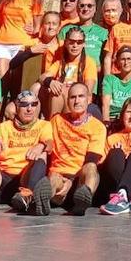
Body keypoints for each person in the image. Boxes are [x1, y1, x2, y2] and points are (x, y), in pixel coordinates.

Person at [0, 91, 54, 215]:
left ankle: (27, 196)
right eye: (24, 104)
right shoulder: (3, 127)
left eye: (33, 104)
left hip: (25, 180)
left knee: (42, 153)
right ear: (16, 107)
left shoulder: (44, 125)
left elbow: (50, 144)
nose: (29, 109)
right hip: (0, 181)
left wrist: (41, 145)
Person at [48, 82, 105, 215]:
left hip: (80, 180)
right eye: (73, 97)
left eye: (81, 96)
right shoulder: (56, 121)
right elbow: (44, 140)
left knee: (91, 167)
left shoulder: (97, 127)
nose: (77, 101)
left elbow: (92, 158)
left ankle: (82, 201)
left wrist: (71, 182)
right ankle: (41, 202)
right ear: (67, 101)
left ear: (89, 99)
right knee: (52, 179)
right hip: (59, 177)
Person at [38, 25, 100, 116]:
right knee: (37, 87)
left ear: (84, 44)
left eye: (79, 42)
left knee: (59, 92)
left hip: (76, 101)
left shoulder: (89, 62)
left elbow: (88, 91)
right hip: (59, 99)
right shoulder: (60, 62)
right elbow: (42, 77)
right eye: (71, 42)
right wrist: (50, 82)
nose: (75, 45)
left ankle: (54, 123)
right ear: (66, 43)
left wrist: (66, 89)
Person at [101, 46, 131, 122]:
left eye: (129, 59)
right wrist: (106, 123)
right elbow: (105, 105)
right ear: (118, 61)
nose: (126, 63)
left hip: (128, 120)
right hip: (111, 120)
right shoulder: (109, 79)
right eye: (123, 59)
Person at [72, 0, 109, 65]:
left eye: (89, 6)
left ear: (95, 9)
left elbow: (107, 58)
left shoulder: (104, 33)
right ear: (77, 9)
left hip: (95, 74)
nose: (85, 9)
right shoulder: (66, 30)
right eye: (82, 6)